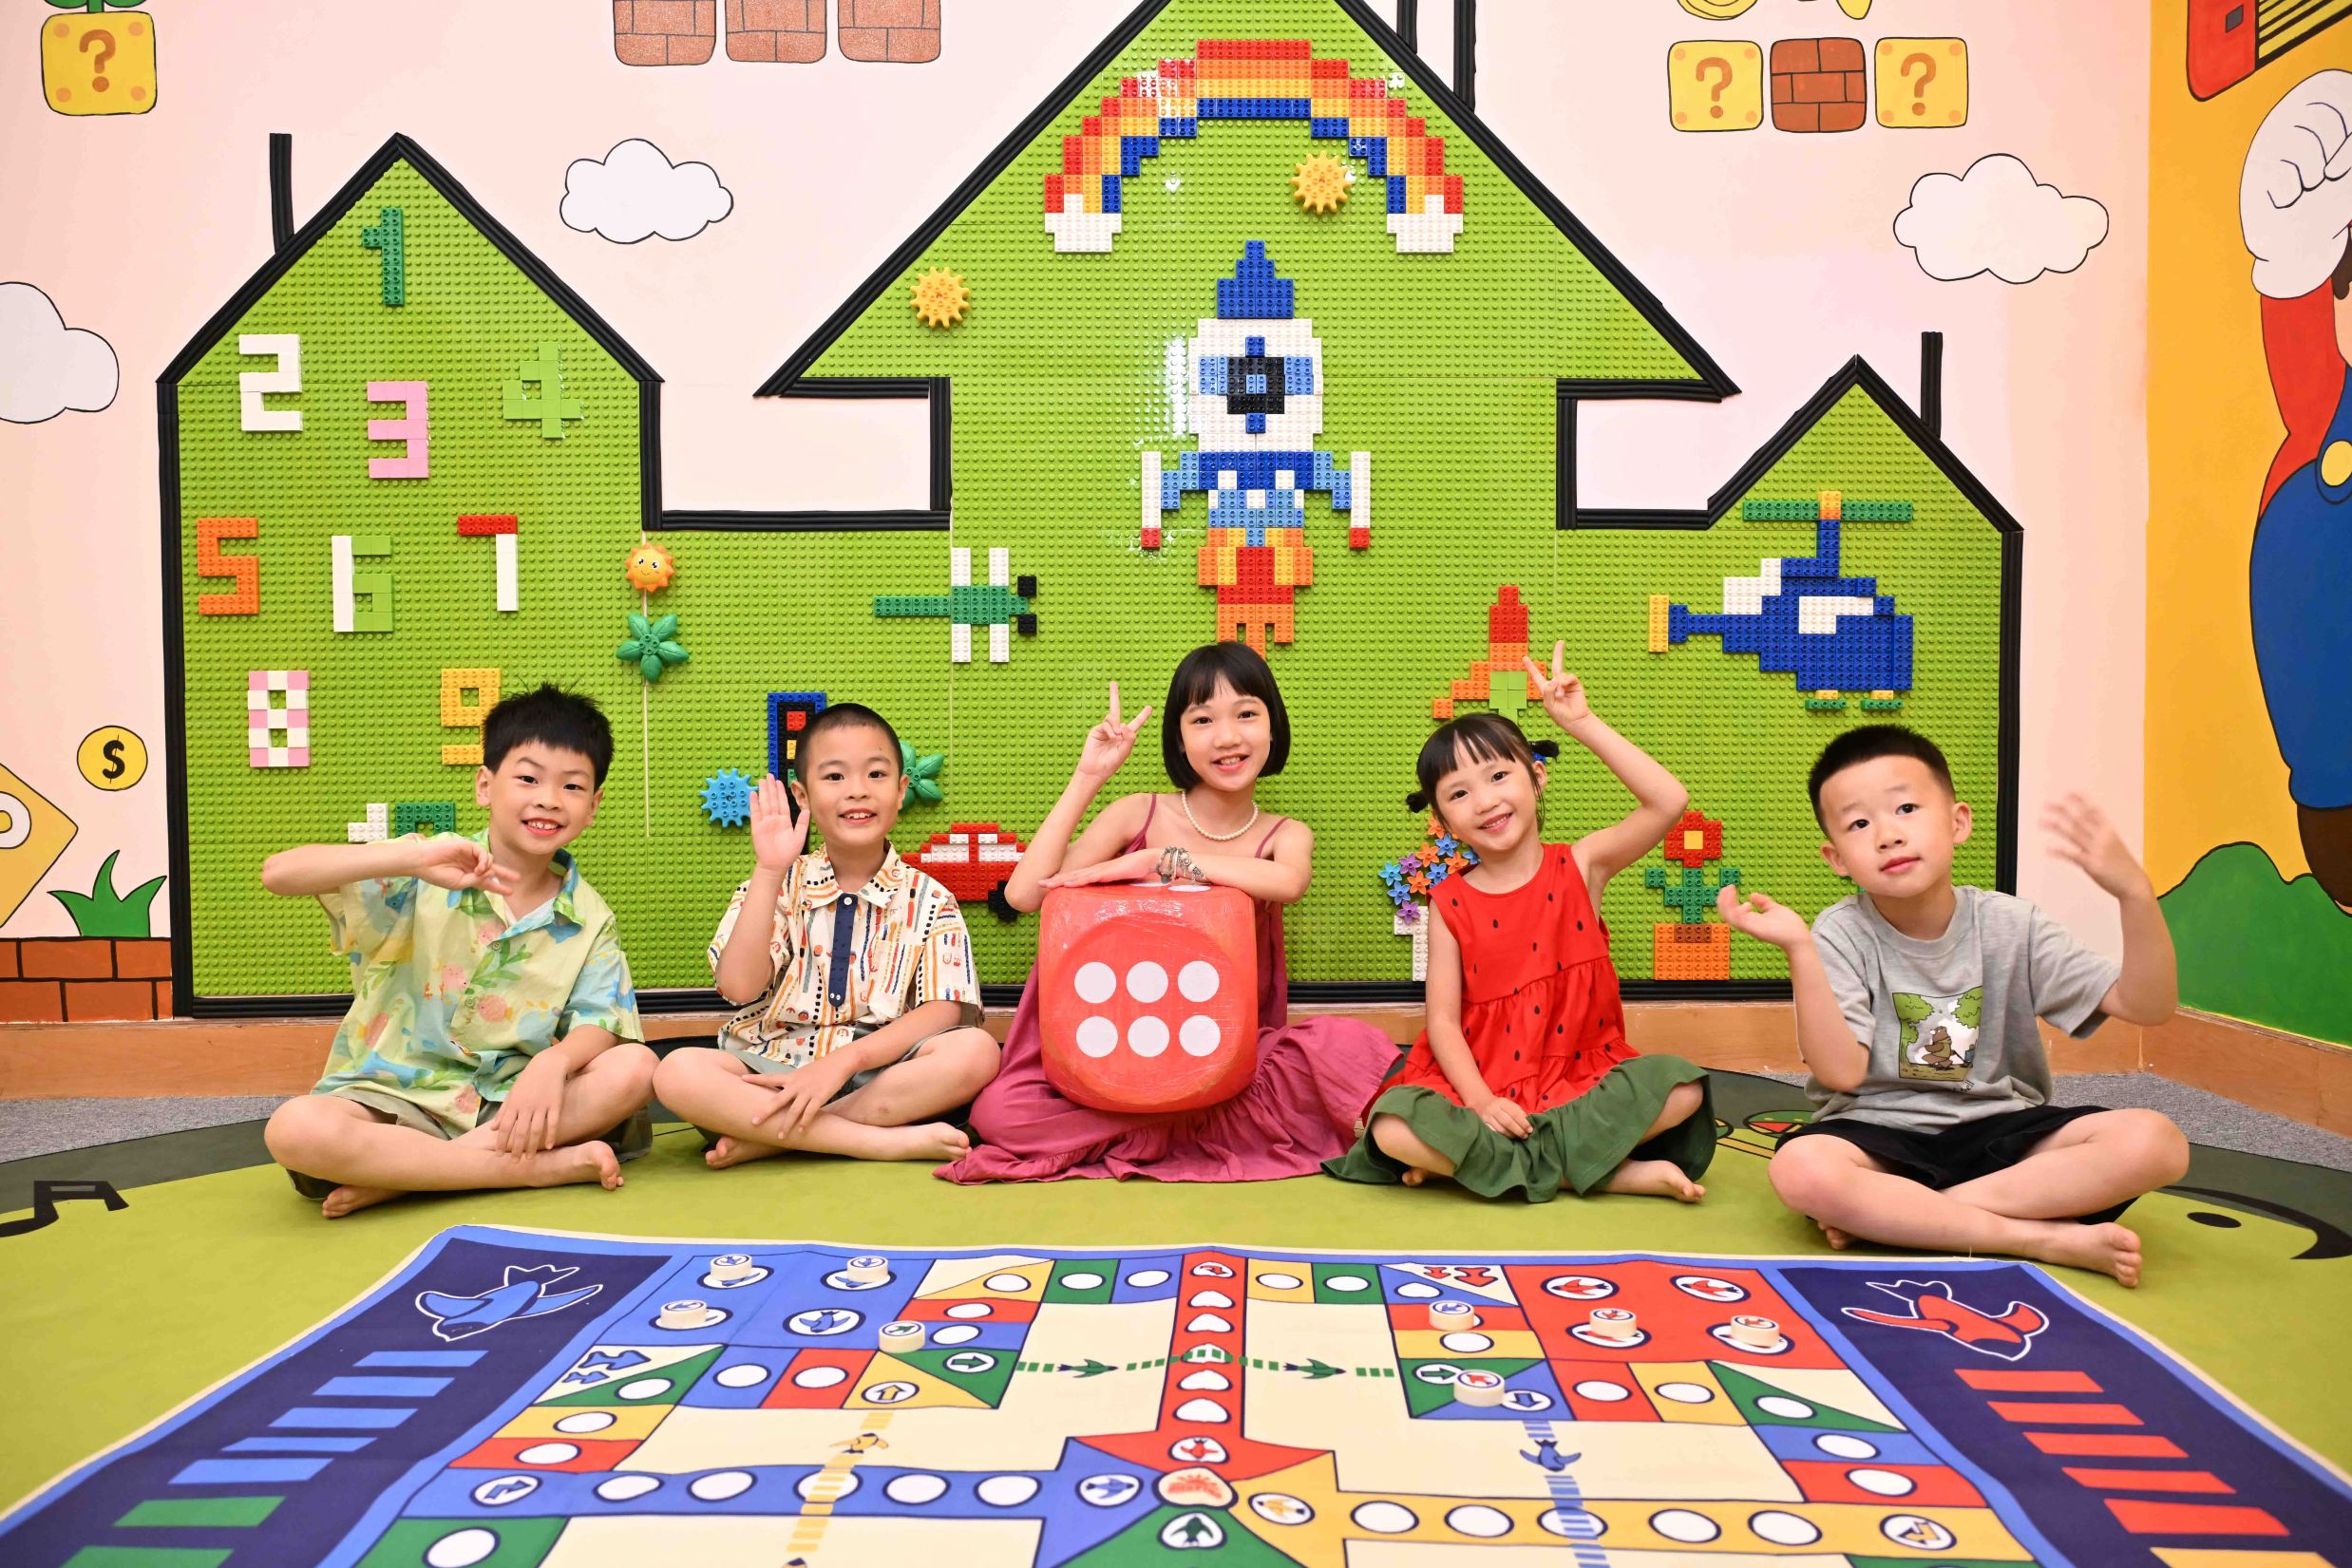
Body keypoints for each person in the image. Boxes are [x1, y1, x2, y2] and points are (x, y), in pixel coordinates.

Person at [1717, 725, 2187, 1285]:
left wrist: (2135, 893)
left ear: (1958, 822)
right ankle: (2035, 1238)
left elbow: (2146, 1005)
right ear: (1836, 858)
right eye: (1859, 824)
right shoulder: (1838, 933)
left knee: (2155, 1141)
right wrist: (1799, 950)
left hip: (2000, 1127)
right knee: (1802, 1169)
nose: (1887, 835)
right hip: (1878, 1134)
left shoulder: (2012, 923)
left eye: (1906, 808)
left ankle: (1909, 1219)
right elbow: (1841, 1073)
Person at [937, 643, 1400, 1182]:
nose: (1227, 737)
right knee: (1001, 1115)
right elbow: (1024, 894)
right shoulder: (1137, 812)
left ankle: (1160, 1127)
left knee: (1348, 1046)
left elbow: (1289, 882)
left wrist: (1162, 861)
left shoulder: (1285, 834)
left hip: (1221, 1061)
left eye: (1246, 714)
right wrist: (1089, 776)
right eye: (1202, 720)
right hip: (1101, 1053)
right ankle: (1183, 1131)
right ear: (1179, 738)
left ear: (1273, 726)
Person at [1326, 647, 1714, 1201]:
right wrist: (1482, 1102)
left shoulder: (1582, 865)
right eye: (1460, 793)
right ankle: (1599, 1170)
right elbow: (1443, 1023)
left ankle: (1490, 1168)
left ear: (1537, 778)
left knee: (1682, 1089)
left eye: (1498, 776)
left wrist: (1582, 723)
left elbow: (1668, 800)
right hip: (1479, 1089)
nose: (1485, 801)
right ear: (1443, 821)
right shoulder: (1448, 901)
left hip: (1578, 1082)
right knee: (1393, 1128)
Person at [259, 685, 654, 1219]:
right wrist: (411, 857)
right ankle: (524, 1170)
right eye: (529, 779)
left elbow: (601, 1020)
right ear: (485, 786)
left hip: (510, 1108)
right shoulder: (425, 866)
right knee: (296, 1128)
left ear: (593, 807)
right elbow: (279, 874)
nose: (548, 799)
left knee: (635, 1067)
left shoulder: (590, 916)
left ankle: (416, 1176)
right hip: (393, 1100)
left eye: (572, 786)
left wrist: (554, 1063)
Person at [652, 703, 999, 1166]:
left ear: (900, 791)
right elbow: (738, 987)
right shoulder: (778, 883)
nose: (857, 790)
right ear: (804, 795)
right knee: (677, 1071)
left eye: (876, 775)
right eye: (835, 777)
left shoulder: (931, 897)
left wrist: (843, 1063)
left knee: (975, 1052)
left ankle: (776, 1138)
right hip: (771, 1071)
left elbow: (944, 1010)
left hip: (879, 1077)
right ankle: (873, 1141)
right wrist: (768, 870)